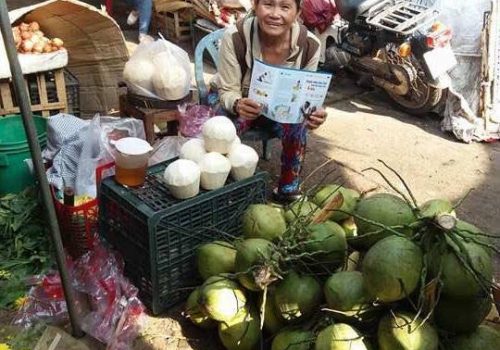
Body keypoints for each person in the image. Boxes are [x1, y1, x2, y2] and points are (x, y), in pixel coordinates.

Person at [217, 0, 328, 203]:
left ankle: (287, 188)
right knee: (220, 130)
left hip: (280, 112)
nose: (275, 14)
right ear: (255, 5)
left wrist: (314, 113)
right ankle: (218, 185)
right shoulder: (236, 37)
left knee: (298, 125)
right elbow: (226, 90)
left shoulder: (310, 45)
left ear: (297, 13)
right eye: (268, 4)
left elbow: (306, 98)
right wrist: (237, 103)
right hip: (243, 106)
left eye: (285, 7)